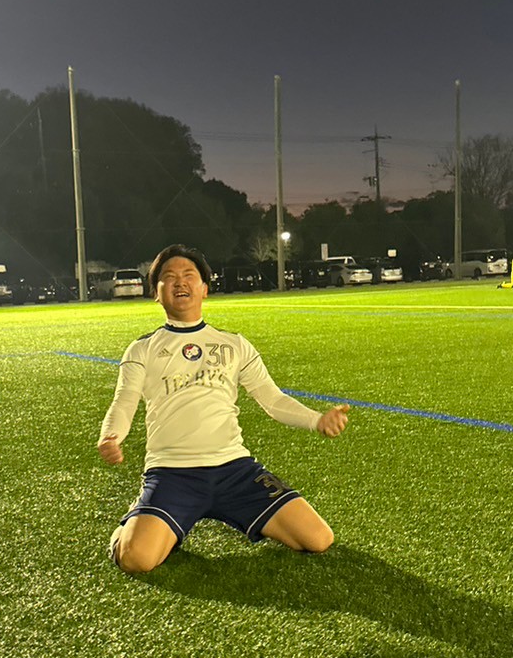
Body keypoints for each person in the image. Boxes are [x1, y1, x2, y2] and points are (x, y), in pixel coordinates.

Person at [98, 244, 349, 575]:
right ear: (156, 293)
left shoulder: (234, 344)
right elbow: (125, 398)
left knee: (318, 539)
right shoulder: (142, 349)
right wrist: (111, 435)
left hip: (235, 471)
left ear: (204, 288)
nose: (179, 282)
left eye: (189, 275)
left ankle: (199, 520)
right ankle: (132, 526)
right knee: (137, 559)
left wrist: (317, 420)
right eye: (168, 277)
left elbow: (272, 399)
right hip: (172, 473)